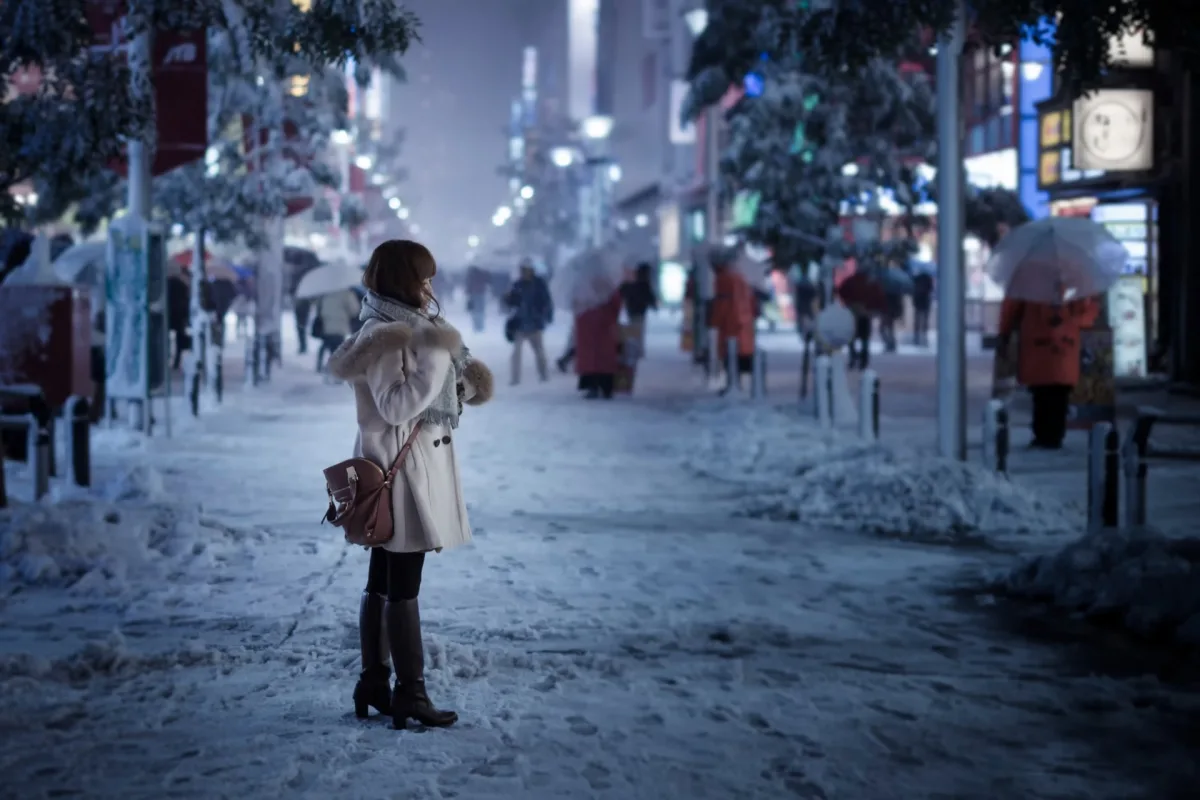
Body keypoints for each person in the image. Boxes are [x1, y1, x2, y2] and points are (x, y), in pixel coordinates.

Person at [326, 239, 495, 730]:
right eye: (422, 278)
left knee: (384, 579)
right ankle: (410, 693)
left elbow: (431, 396)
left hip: (411, 468)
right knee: (402, 584)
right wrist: (437, 360)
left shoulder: (413, 329)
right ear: (404, 280)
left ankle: (375, 681)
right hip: (403, 479)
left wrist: (456, 381)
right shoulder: (386, 335)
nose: (429, 287)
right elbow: (397, 406)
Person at [998, 292, 1099, 450]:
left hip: (1035, 343)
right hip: (1066, 344)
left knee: (1041, 392)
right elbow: (1087, 312)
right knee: (1060, 392)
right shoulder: (1075, 277)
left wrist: (1005, 333)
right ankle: (1055, 434)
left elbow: (1010, 307)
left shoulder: (1027, 276)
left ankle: (1042, 435)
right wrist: (1074, 321)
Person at [709, 254, 756, 392]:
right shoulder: (739, 278)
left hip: (730, 325)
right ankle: (736, 384)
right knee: (739, 356)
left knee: (729, 356)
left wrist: (714, 321)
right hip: (743, 324)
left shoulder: (723, 280)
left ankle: (733, 385)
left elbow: (722, 304)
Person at [504, 260, 553, 385]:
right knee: (516, 352)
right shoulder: (518, 284)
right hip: (520, 323)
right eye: (522, 270)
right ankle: (515, 378)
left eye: (525, 270)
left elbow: (546, 301)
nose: (523, 272)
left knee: (539, 351)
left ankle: (543, 375)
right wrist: (508, 298)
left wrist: (546, 315)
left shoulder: (539, 284)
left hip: (535, 323)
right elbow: (511, 302)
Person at [574, 276, 622, 399]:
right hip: (604, 328)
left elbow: (577, 305)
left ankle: (592, 386)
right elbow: (616, 305)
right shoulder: (609, 286)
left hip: (588, 327)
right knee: (604, 358)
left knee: (590, 359)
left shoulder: (582, 287)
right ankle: (606, 387)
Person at [313, 287, 361, 375]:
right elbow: (354, 310)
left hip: (326, 326)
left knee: (326, 345)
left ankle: (321, 366)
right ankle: (336, 369)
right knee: (339, 348)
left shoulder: (325, 292)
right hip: (340, 326)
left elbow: (318, 308)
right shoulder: (347, 294)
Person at [620, 262, 658, 356]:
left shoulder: (630, 282)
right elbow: (649, 296)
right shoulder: (644, 283)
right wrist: (653, 305)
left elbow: (623, 292)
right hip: (640, 310)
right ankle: (638, 350)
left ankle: (634, 349)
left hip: (631, 309)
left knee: (633, 329)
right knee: (639, 330)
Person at [912, 272, 934, 347]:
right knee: (924, 320)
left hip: (919, 302)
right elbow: (931, 289)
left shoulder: (917, 280)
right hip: (925, 302)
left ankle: (917, 336)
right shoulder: (927, 280)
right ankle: (923, 335)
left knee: (918, 320)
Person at [465, 265, 489, 332]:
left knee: (475, 311)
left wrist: (468, 292)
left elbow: (469, 285)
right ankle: (480, 326)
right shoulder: (481, 275)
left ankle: (476, 326)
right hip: (481, 294)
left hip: (474, 294)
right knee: (480, 310)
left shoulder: (472, 276)